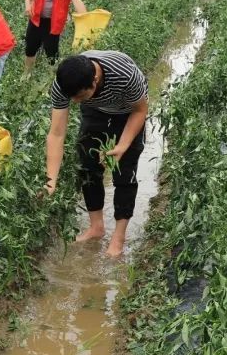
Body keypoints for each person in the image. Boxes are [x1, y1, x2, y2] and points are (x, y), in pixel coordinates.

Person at [44, 51, 149, 258]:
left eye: (80, 97)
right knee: (87, 165)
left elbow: (140, 110)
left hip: (129, 111)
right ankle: (96, 227)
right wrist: (50, 181)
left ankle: (118, 239)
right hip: (96, 111)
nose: (74, 102)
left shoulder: (125, 75)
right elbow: (56, 134)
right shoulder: (63, 84)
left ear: (95, 80)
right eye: (72, 97)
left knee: (124, 171)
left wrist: (123, 145)